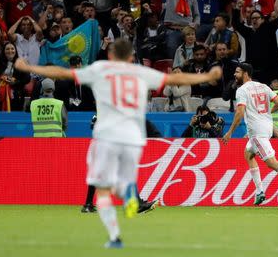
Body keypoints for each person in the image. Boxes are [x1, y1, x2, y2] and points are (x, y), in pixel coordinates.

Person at [14, 38, 222, 248]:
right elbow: (173, 79)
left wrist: (28, 66)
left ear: (111, 55)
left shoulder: (100, 69)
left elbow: (63, 74)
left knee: (102, 182)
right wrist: (207, 75)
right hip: (131, 136)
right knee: (125, 178)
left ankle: (114, 231)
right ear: (131, 57)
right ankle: (132, 201)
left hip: (106, 134)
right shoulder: (140, 72)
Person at [222, 63, 278, 205]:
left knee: (270, 162)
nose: (234, 75)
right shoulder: (263, 86)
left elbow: (240, 112)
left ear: (245, 74)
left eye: (237, 72)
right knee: (248, 154)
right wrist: (266, 113)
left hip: (257, 132)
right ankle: (260, 191)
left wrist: (230, 132)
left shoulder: (242, 90)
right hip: (266, 127)